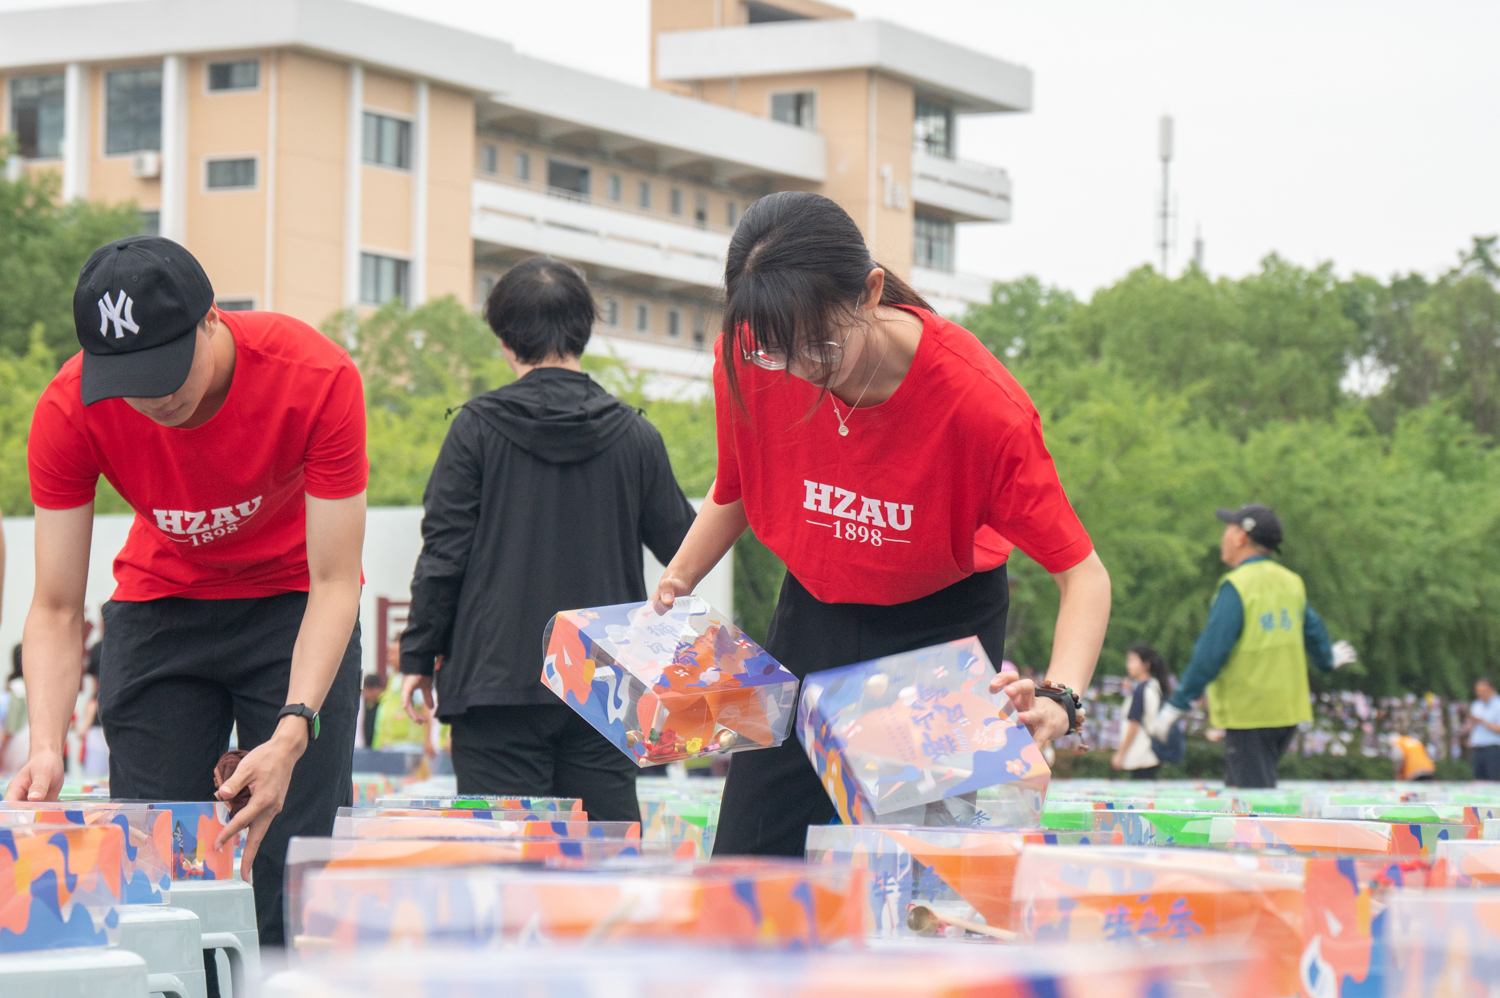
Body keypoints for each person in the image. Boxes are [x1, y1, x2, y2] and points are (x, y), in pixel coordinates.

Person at [650, 192, 1112, 857]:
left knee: (930, 886)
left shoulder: (980, 408)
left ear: (869, 293)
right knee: (748, 858)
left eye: (821, 346)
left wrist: (1060, 698)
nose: (804, 372)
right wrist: (678, 579)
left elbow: (1082, 575)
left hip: (936, 633)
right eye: (781, 352)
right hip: (810, 617)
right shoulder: (752, 359)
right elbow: (739, 486)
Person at [6, 236, 367, 946]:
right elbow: (53, 604)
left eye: (166, 371)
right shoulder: (67, 409)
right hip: (160, 605)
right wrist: (46, 744)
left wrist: (292, 732)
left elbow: (334, 582)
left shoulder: (313, 376)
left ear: (211, 319)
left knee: (287, 856)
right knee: (153, 856)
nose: (153, 399)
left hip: (294, 602)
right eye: (130, 380)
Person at [399, 255, 695, 822]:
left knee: (504, 872)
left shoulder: (475, 430)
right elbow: (684, 550)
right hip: (602, 685)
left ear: (506, 337)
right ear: (583, 329)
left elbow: (444, 555)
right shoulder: (635, 436)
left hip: (495, 686)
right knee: (604, 871)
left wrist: (418, 653)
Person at [1151, 503, 1351, 789]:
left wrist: (1177, 705)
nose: (1223, 534)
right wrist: (1327, 660)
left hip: (1250, 711)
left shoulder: (1238, 585)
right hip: (1286, 709)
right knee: (1247, 790)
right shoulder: (1291, 582)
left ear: (1240, 537)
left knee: (1251, 803)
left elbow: (1211, 653)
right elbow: (1314, 629)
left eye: (1228, 528)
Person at [1112, 644, 1173, 780]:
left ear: (1146, 665)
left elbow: (1134, 723)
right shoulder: (1154, 686)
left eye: (1132, 660)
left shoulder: (1141, 690)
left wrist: (1121, 753)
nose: (1128, 665)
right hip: (1151, 753)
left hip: (1141, 754)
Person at [1468, 676, 1500, 780]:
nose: (1480, 693)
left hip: (1493, 749)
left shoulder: (1498, 705)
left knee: (1493, 780)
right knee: (1479, 780)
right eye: (1478, 691)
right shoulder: (1476, 705)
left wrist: (1482, 721)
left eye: (1483, 691)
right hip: (1477, 748)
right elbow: (1472, 727)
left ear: (1491, 689)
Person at [359, 673, 384, 749]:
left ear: (377, 689)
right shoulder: (364, 706)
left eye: (369, 690)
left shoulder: (383, 706)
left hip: (380, 747)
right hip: (365, 746)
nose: (366, 693)